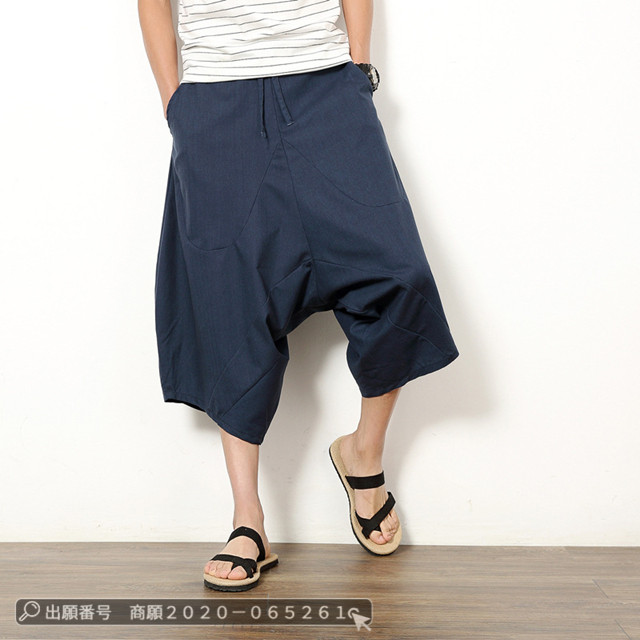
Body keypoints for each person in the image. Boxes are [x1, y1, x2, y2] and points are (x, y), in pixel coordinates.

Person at [138, 0, 460, 591]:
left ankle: (363, 452)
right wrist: (175, 104)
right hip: (215, 100)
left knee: (398, 276)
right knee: (228, 300)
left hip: (326, 87)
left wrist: (358, 69)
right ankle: (248, 520)